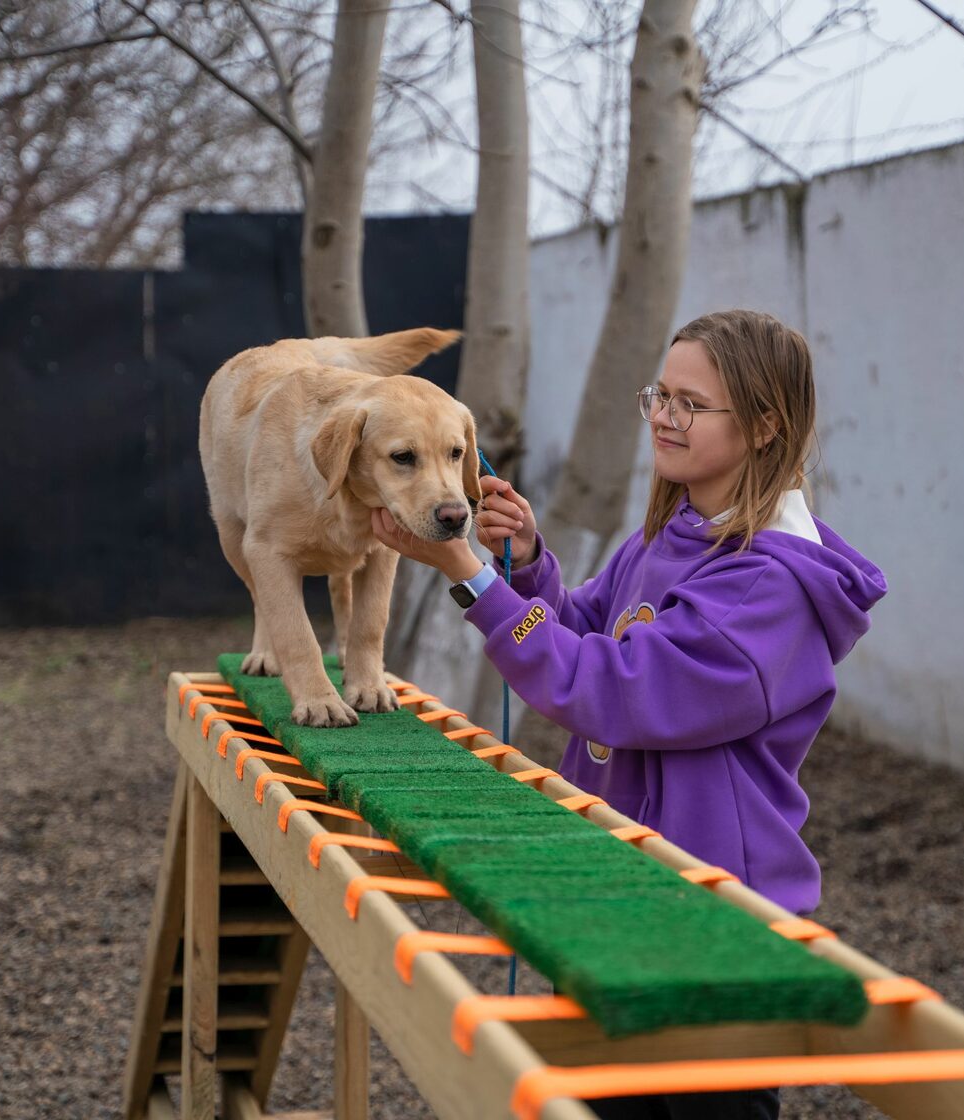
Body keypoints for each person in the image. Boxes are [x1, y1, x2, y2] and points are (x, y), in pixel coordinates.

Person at [371, 308, 886, 1120]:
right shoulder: (669, 535)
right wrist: (529, 566)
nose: (664, 418)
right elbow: (585, 630)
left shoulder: (768, 585)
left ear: (762, 427)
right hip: (619, 880)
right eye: (661, 395)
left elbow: (614, 691)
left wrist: (470, 574)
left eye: (691, 403)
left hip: (713, 913)